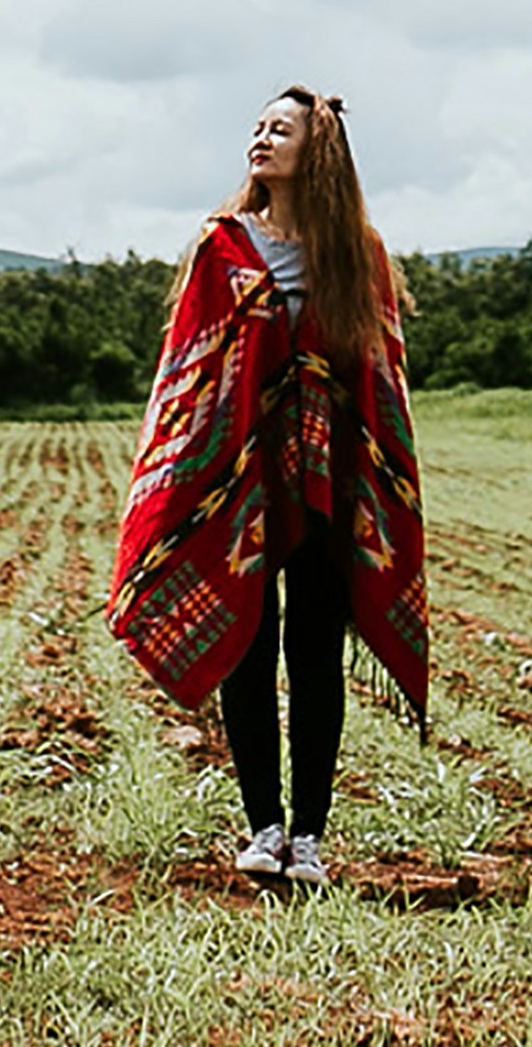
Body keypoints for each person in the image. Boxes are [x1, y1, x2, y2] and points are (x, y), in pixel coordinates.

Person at [104, 84, 430, 890]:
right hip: (233, 483)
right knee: (247, 648)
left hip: (328, 480)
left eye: (278, 130)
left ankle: (309, 837)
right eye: (255, 127)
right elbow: (186, 372)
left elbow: (378, 378)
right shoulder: (220, 247)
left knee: (313, 652)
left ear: (315, 150)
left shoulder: (358, 254)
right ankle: (261, 828)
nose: (259, 139)